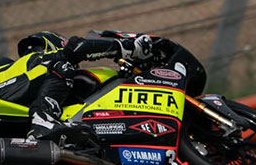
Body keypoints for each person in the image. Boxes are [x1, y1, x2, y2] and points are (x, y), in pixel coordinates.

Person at [16, 31, 154, 142]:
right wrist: (128, 47)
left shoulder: (25, 78)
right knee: (62, 65)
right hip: (30, 109)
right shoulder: (41, 60)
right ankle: (42, 120)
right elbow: (76, 47)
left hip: (14, 119)